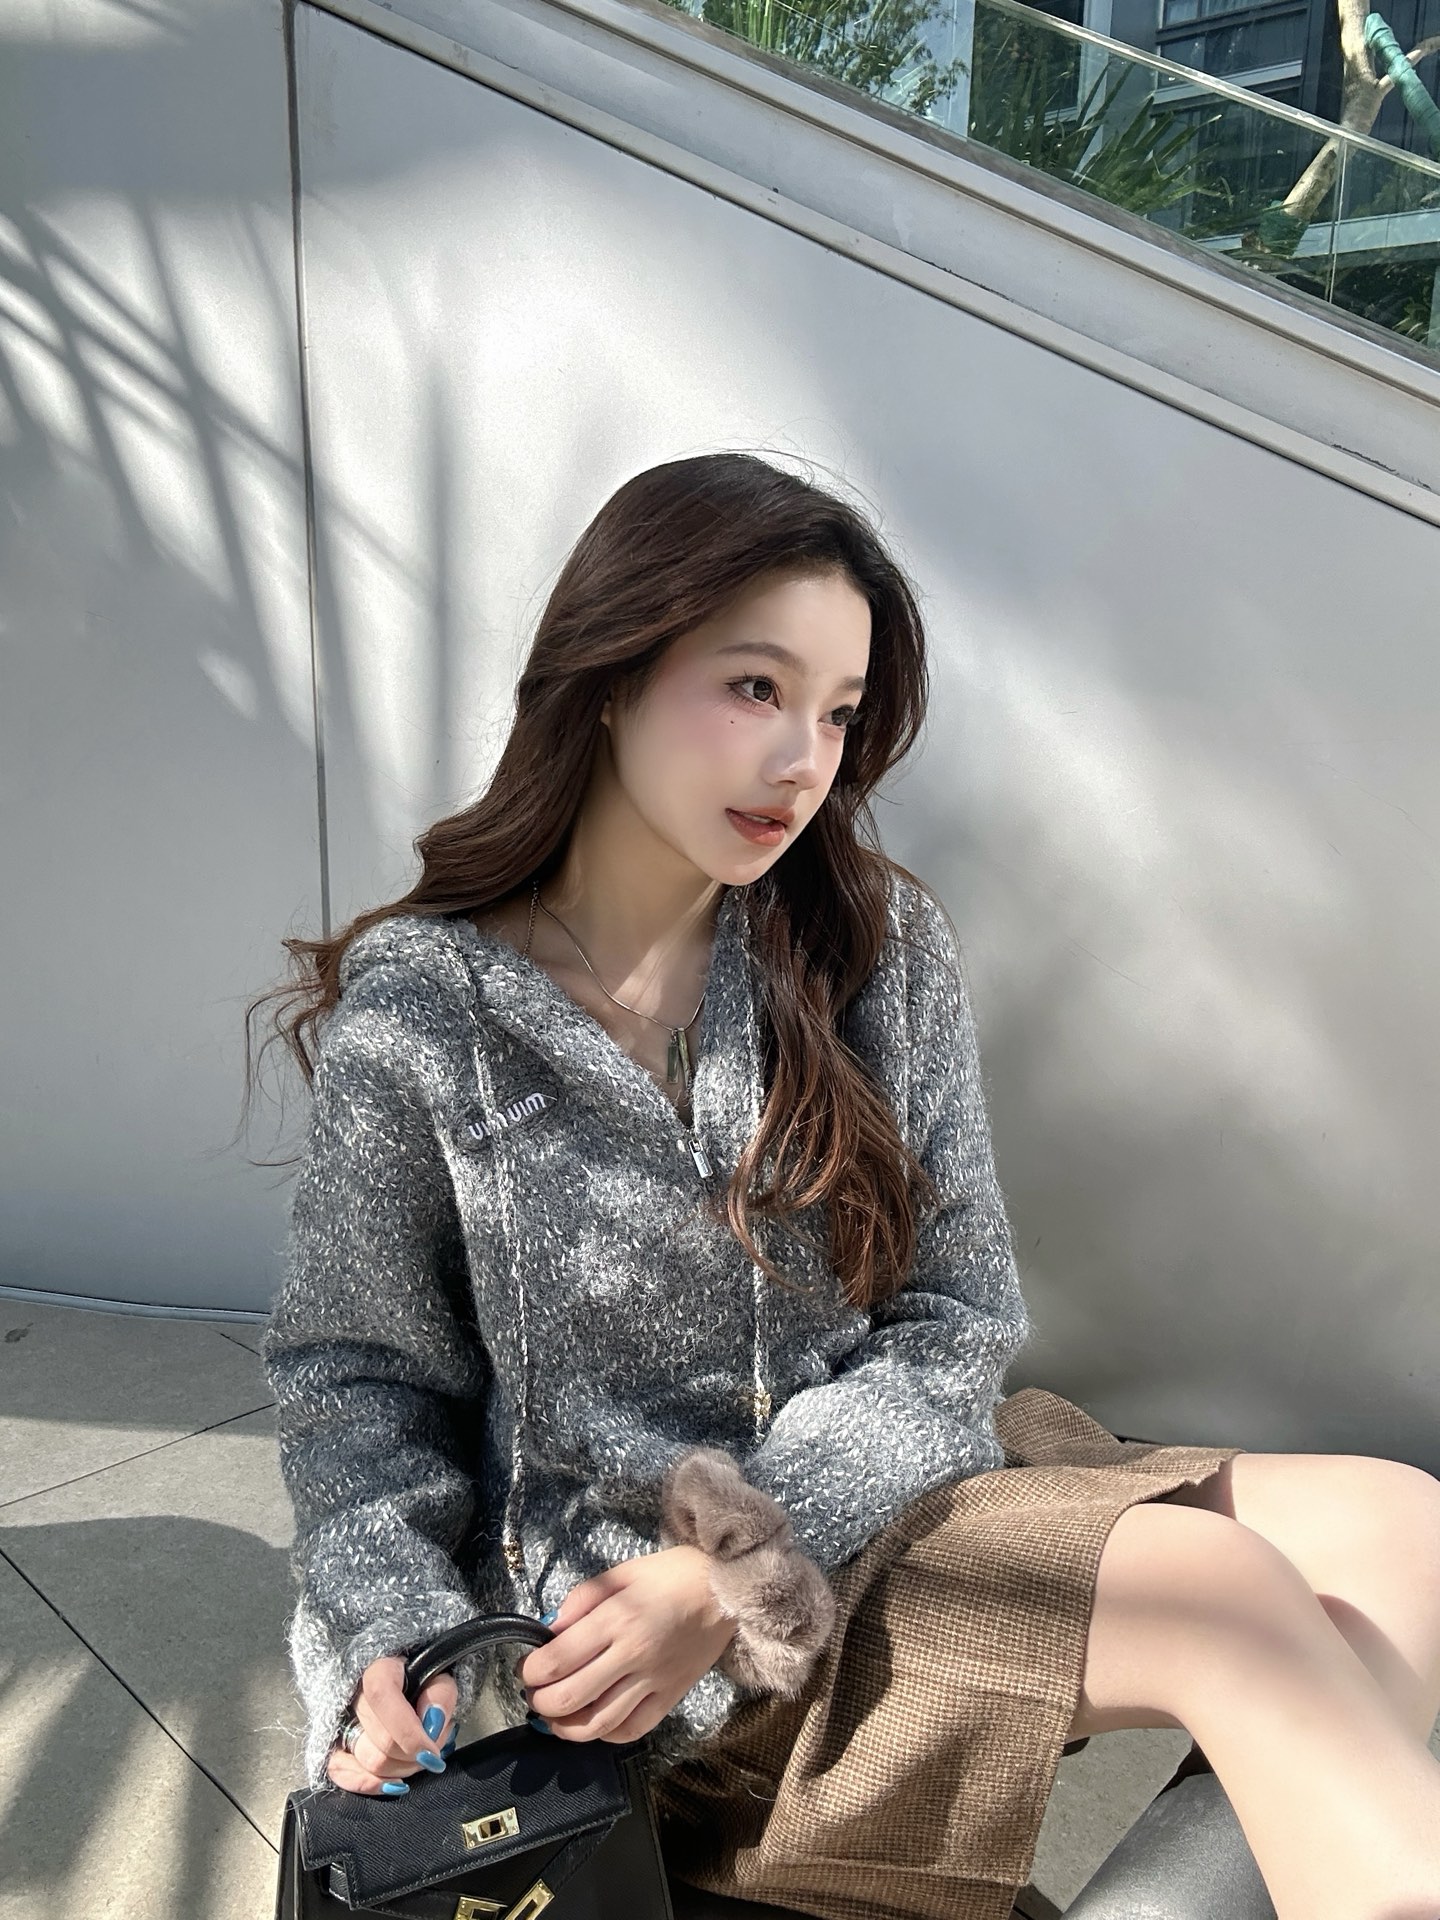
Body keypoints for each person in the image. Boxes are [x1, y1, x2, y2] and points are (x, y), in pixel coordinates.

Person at [251, 452, 1440, 1920]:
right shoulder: (430, 1011)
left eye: (837, 712)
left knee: (1401, 1533)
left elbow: (955, 1317)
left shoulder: (872, 946)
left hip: (873, 1488)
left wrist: (744, 1558)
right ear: (610, 675)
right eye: (754, 687)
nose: (801, 759)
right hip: (630, 1636)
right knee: (1233, 1608)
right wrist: (395, 1635)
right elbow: (358, 1378)